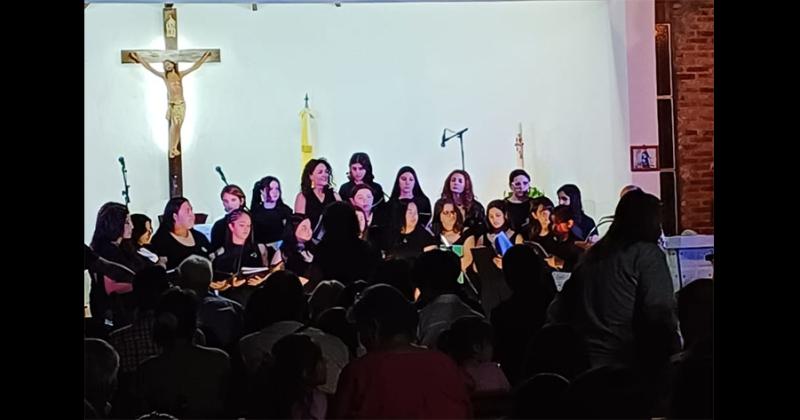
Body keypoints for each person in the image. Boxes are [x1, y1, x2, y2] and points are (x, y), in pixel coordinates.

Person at [129, 51, 212, 158]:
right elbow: (149, 68)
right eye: (165, 65)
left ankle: (174, 148)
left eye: (168, 63)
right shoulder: (165, 76)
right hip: (173, 104)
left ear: (173, 64)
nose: (167, 66)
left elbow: (194, 67)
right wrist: (138, 58)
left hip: (181, 104)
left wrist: (204, 57)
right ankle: (172, 148)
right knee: (174, 125)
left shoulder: (179, 74)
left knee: (178, 127)